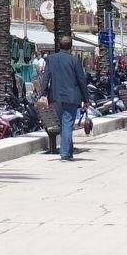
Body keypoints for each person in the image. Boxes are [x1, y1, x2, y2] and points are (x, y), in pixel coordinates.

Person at [37, 32, 89, 161]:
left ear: (59, 46)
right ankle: (65, 153)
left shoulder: (51, 59)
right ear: (71, 47)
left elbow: (45, 78)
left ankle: (68, 151)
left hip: (56, 98)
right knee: (67, 124)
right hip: (72, 98)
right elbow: (81, 81)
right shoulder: (74, 60)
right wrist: (86, 100)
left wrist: (42, 94)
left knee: (64, 124)